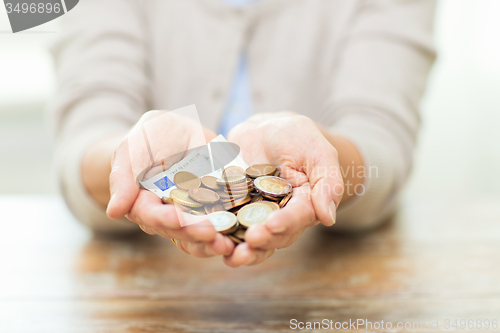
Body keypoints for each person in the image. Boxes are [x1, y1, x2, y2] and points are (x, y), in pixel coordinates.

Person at [49, 0, 436, 267]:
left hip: (324, 279)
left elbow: (382, 146)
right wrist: (127, 155)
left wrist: (324, 159)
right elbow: (85, 131)